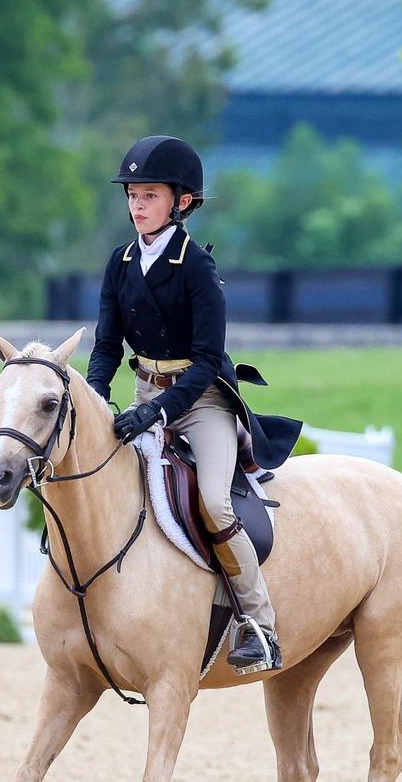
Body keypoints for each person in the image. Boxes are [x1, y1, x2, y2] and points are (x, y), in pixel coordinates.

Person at [86, 135, 303, 674]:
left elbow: (207, 360)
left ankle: (259, 625)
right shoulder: (121, 262)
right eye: (132, 195)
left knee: (212, 501)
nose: (137, 205)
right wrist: (95, 397)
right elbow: (109, 344)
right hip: (143, 392)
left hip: (201, 400)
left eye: (149, 195)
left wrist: (157, 413)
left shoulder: (196, 268)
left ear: (181, 201)